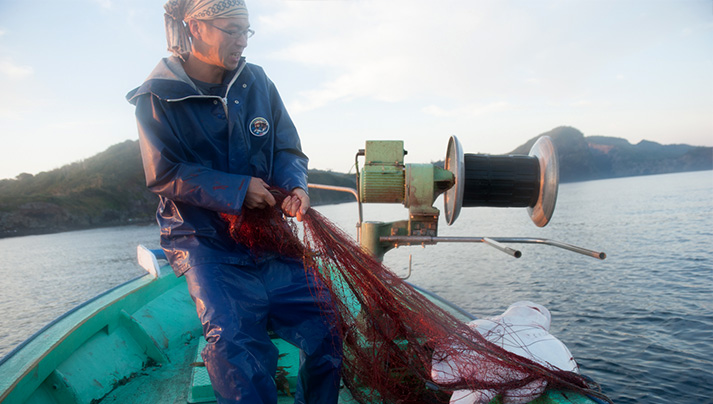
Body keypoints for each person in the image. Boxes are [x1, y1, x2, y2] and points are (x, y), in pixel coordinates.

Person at [126, 1, 342, 403]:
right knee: (234, 345)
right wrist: (239, 189)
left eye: (247, 31)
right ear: (195, 27)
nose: (242, 41)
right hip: (203, 243)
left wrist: (296, 186)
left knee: (326, 322)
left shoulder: (256, 81)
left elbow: (287, 150)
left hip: (267, 237)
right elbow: (164, 172)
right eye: (232, 29)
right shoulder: (157, 96)